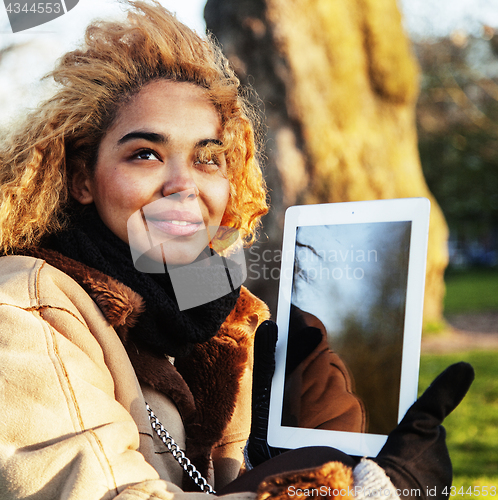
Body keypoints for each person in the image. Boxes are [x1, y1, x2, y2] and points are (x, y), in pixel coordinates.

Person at [0, 1, 474, 499]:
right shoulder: (28, 310)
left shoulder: (228, 322)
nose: (183, 186)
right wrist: (371, 491)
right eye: (146, 154)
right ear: (81, 179)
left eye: (208, 159)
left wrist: (310, 447)